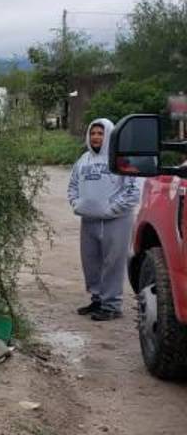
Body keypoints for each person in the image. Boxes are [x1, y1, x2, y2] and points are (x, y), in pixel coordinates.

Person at [67, 118, 139, 321]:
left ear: (109, 135)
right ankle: (98, 299)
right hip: (89, 220)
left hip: (116, 221)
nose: (96, 137)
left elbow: (133, 191)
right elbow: (72, 185)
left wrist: (112, 209)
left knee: (113, 262)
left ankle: (112, 305)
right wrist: (76, 204)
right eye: (93, 133)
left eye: (101, 133)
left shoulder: (122, 159)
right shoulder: (83, 160)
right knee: (91, 261)